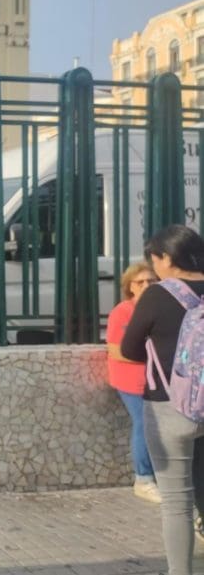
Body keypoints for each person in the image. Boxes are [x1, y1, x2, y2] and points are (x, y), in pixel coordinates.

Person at [122, 224, 204, 575]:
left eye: (154, 259)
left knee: (177, 503)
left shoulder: (157, 295)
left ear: (167, 258)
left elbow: (130, 349)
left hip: (170, 407)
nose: (154, 267)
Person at [106, 261, 161, 503]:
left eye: (151, 281)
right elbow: (115, 351)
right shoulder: (122, 312)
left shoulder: (160, 309)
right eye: (141, 282)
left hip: (158, 379)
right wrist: (151, 356)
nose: (147, 285)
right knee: (144, 423)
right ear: (130, 286)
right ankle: (144, 478)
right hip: (132, 379)